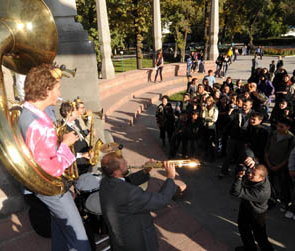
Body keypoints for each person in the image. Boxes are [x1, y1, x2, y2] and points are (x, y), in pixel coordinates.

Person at [18, 64, 90, 251]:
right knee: (79, 240)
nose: (59, 92)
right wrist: (65, 144)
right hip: (52, 188)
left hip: (43, 186)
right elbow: (54, 168)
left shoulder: (26, 113)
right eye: (57, 87)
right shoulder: (40, 124)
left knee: (60, 231)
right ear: (47, 89)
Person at [99, 152, 177, 251]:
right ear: (116, 172)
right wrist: (170, 177)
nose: (126, 163)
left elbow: (125, 182)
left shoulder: (105, 182)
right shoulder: (131, 194)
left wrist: (145, 171)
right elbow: (162, 200)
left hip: (119, 237)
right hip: (136, 242)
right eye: (123, 164)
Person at [231, 163, 274, 251]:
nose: (249, 174)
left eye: (253, 174)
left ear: (262, 178)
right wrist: (251, 160)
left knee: (260, 237)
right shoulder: (261, 176)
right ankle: (250, 248)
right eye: (251, 171)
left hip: (256, 214)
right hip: (246, 207)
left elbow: (235, 192)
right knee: (244, 229)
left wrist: (239, 177)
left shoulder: (261, 192)